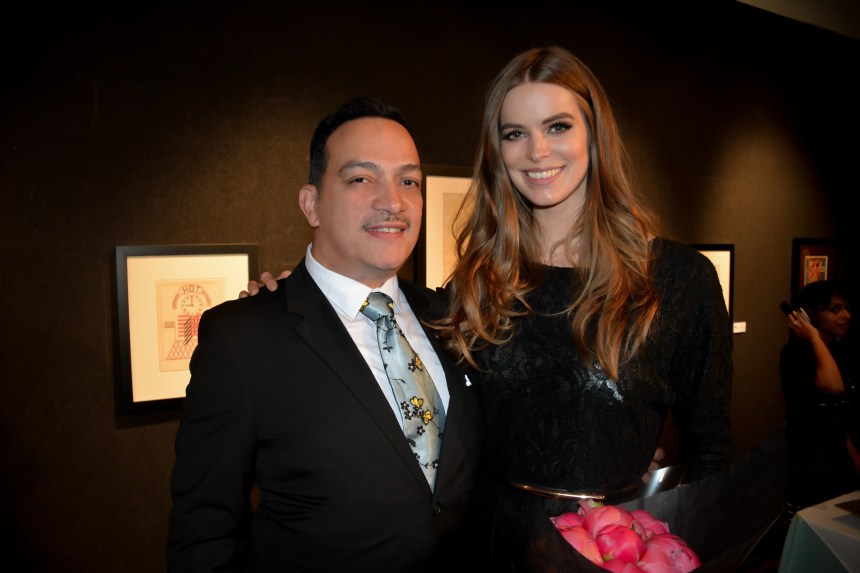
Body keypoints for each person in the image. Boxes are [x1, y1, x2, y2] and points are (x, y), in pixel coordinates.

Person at [249, 46, 733, 570]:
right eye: (514, 134)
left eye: (557, 126)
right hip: (486, 549)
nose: (536, 151)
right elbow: (382, 349)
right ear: (497, 151)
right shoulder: (479, 283)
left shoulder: (679, 281)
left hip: (611, 554)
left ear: (595, 135)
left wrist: (665, 542)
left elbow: (713, 454)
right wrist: (291, 301)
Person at [167, 97, 483, 572]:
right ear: (311, 203)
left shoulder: (452, 319)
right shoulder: (243, 338)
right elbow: (204, 532)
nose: (392, 201)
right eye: (361, 178)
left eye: (408, 181)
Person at [780, 279, 859, 517]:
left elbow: (840, 417)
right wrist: (814, 337)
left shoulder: (840, 350)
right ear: (809, 316)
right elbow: (834, 387)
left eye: (846, 308)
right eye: (835, 310)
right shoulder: (796, 354)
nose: (846, 315)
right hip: (810, 463)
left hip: (839, 460)